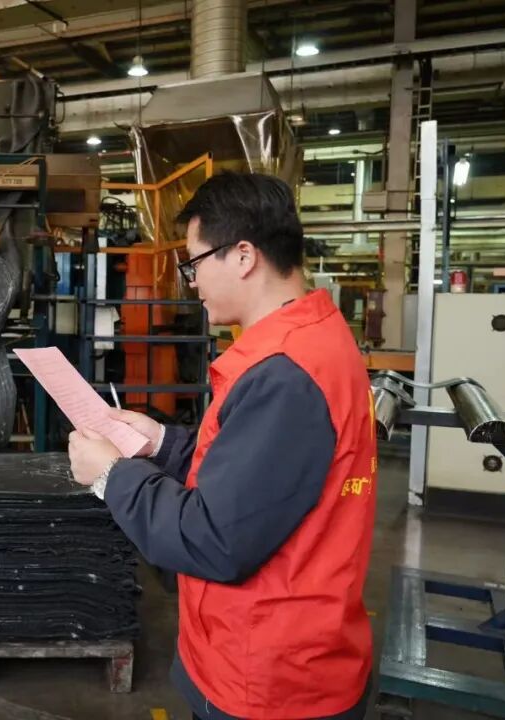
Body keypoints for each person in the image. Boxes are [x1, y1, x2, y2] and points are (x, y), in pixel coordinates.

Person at [68, 171, 376, 720]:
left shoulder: (284, 374)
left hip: (269, 677)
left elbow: (211, 538)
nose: (192, 283)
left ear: (243, 256)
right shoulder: (310, 342)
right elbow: (252, 476)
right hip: (274, 650)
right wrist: (160, 442)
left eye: (194, 263)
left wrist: (111, 475)